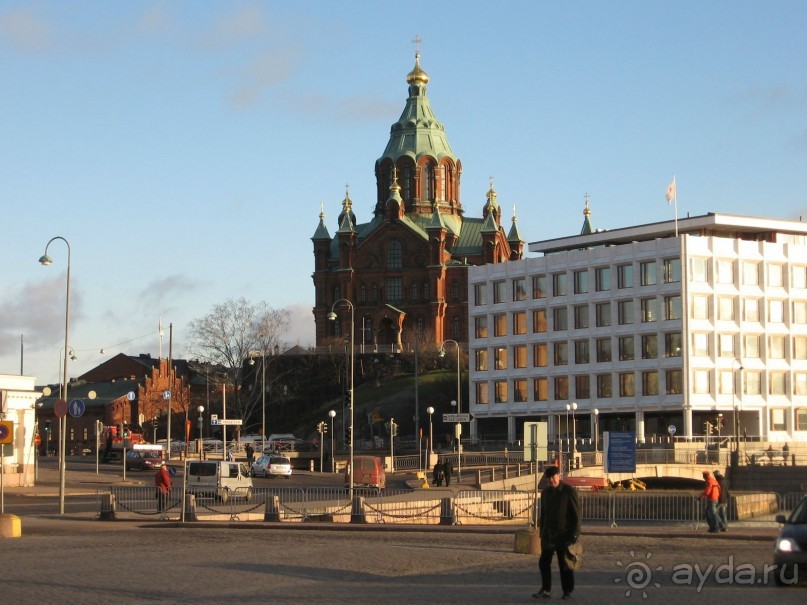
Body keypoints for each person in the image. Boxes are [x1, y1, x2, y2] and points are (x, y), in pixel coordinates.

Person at [535, 466, 581, 600]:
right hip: (548, 534)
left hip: (564, 534)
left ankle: (567, 591)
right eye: (549, 478)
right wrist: (542, 531)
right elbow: (543, 513)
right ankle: (545, 589)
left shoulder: (568, 491)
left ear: (559, 476)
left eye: (553, 477)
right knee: (543, 563)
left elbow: (576, 514)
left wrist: (575, 534)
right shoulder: (545, 493)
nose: (551, 480)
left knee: (565, 565)